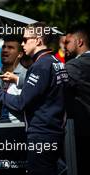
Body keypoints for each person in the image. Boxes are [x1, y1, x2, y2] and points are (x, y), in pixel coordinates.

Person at [0, 22, 68, 175]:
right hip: (55, 132)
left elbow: (20, 103)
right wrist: (18, 80)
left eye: (25, 40)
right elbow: (48, 90)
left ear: (38, 40)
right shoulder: (55, 62)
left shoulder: (40, 65)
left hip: (41, 135)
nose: (23, 43)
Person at [64, 23, 90, 175]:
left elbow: (51, 85)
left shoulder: (76, 65)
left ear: (79, 42)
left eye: (67, 42)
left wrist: (19, 80)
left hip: (84, 131)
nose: (64, 46)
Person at [0, 35, 27, 123]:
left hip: (18, 128)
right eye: (3, 47)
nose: (5, 50)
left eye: (10, 47)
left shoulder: (27, 74)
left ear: (20, 54)